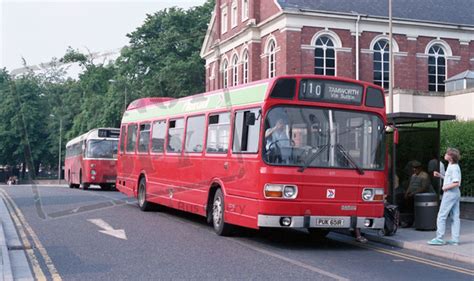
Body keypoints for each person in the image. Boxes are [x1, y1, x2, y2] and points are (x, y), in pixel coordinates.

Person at [428, 148, 462, 246]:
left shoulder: (454, 167)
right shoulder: (451, 165)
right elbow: (450, 179)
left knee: (441, 216)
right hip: (454, 194)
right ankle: (455, 239)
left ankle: (439, 238)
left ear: (451, 157)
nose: (445, 155)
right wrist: (441, 176)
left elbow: (456, 182)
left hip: (450, 194)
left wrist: (444, 187)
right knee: (455, 217)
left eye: (447, 154)